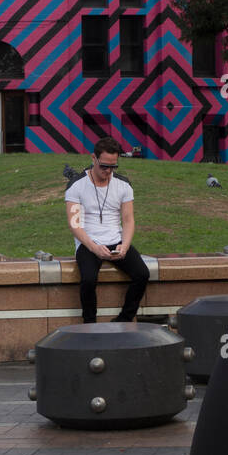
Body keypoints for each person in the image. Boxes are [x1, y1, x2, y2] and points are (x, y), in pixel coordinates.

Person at [65, 138, 149, 324]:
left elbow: (128, 220)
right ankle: (89, 323)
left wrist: (125, 246)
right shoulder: (76, 185)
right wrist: (94, 247)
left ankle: (124, 319)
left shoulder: (123, 185)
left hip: (116, 240)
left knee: (142, 274)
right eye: (104, 166)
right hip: (88, 242)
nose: (108, 171)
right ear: (93, 158)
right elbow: (75, 224)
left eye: (113, 167)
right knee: (88, 280)